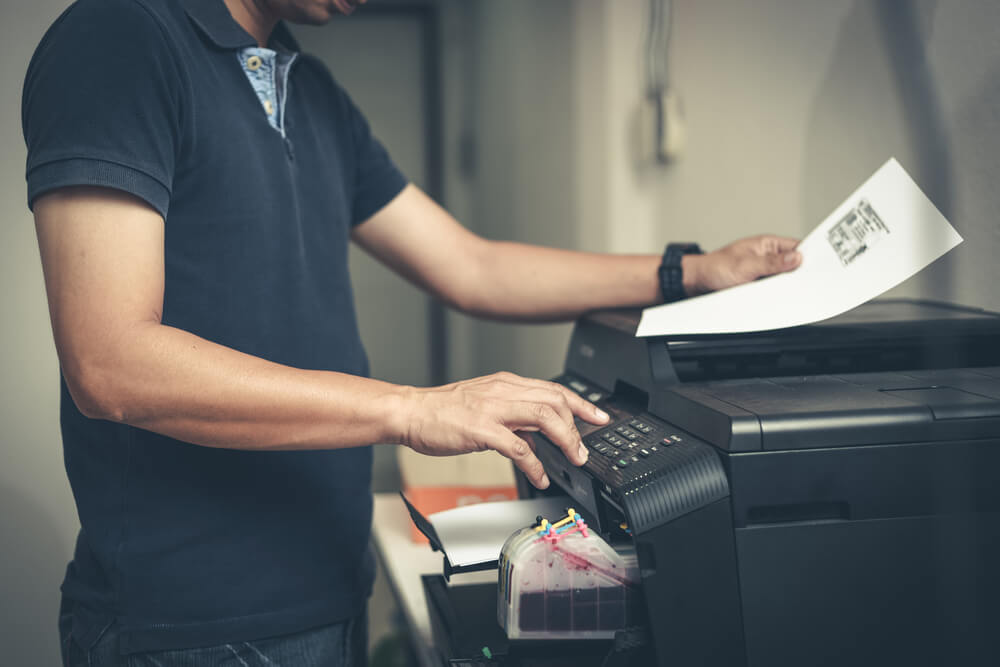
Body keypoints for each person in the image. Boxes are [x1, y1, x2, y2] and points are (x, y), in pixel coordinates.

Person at [22, 0, 802, 664]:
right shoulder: (119, 40)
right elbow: (110, 361)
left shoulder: (311, 87)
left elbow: (473, 266)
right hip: (190, 627)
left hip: (330, 590)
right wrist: (413, 407)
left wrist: (689, 272)